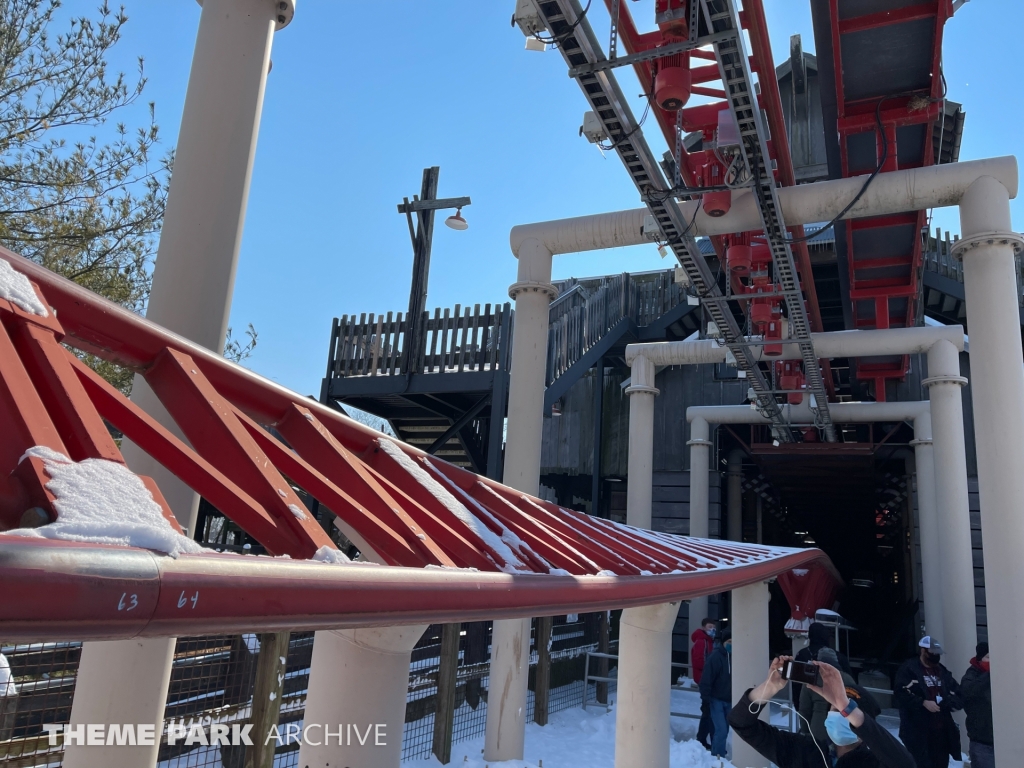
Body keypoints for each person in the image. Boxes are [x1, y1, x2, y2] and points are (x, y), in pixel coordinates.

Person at [729, 656, 916, 767]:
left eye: (846, 711)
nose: (838, 713)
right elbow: (741, 723)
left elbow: (906, 765)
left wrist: (845, 705)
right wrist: (768, 688)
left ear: (864, 723)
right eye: (834, 708)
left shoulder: (875, 762)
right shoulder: (805, 751)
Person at [894, 635, 964, 768]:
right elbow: (900, 693)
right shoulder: (909, 669)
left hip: (941, 731)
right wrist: (922, 702)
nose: (936, 656)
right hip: (917, 731)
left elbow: (958, 692)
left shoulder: (942, 671)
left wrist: (948, 703)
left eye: (937, 654)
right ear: (923, 651)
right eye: (932, 653)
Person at [799, 647, 857, 746]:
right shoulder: (847, 679)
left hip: (818, 728)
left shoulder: (811, 679)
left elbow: (805, 709)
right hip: (842, 730)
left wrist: (805, 730)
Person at [793, 622, 852, 703]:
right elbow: (852, 685)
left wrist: (798, 705)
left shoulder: (802, 654)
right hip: (837, 705)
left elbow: (796, 685)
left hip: (811, 704)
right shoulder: (840, 657)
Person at [699, 628, 732, 758]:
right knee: (721, 730)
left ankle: (718, 753)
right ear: (724, 642)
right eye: (729, 641)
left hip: (729, 700)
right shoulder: (715, 657)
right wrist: (705, 700)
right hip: (716, 699)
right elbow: (706, 680)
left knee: (724, 729)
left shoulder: (735, 657)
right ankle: (717, 757)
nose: (732, 644)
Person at [961, 641, 993, 768]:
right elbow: (968, 692)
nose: (991, 661)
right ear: (980, 659)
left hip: (1000, 739)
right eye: (988, 657)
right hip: (982, 741)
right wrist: (988, 676)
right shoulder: (971, 676)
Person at [691, 618, 717, 749]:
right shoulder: (702, 642)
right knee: (709, 711)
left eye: (713, 626)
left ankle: (703, 739)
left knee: (708, 711)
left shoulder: (708, 641)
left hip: (707, 680)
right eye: (709, 626)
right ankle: (704, 739)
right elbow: (699, 661)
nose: (712, 629)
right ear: (703, 627)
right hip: (706, 681)